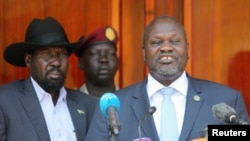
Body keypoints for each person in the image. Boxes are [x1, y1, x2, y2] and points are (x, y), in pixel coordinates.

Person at [85, 15, 249, 141]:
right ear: (144, 53)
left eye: (175, 41)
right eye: (156, 42)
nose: (166, 48)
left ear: (188, 49)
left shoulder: (226, 100)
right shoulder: (113, 107)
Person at [0, 17, 98, 141]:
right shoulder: (5, 102)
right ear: (29, 60)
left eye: (61, 54)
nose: (56, 62)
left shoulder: (88, 105)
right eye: (46, 54)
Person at [74, 26, 119, 98]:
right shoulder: (68, 104)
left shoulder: (130, 102)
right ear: (81, 63)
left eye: (110, 53)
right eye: (94, 54)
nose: (104, 59)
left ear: (118, 62)